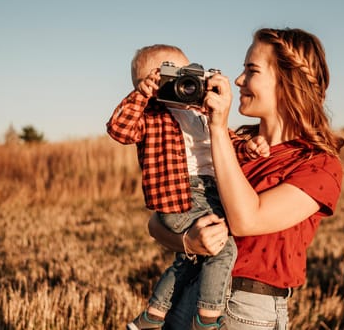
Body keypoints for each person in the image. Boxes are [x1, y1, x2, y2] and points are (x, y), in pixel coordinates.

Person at [148, 28, 344, 330]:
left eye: (251, 70)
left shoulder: (317, 165)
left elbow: (246, 220)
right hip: (189, 294)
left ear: (287, 82)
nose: (239, 80)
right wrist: (188, 242)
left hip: (245, 308)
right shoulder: (236, 144)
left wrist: (216, 128)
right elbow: (157, 222)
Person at [105, 44, 269, 330]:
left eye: (189, 72)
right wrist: (142, 94)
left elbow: (226, 148)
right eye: (172, 75)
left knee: (191, 258)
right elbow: (119, 129)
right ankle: (207, 320)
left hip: (210, 192)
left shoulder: (201, 113)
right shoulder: (151, 115)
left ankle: (152, 317)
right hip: (181, 194)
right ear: (152, 80)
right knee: (224, 249)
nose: (185, 81)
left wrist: (250, 148)